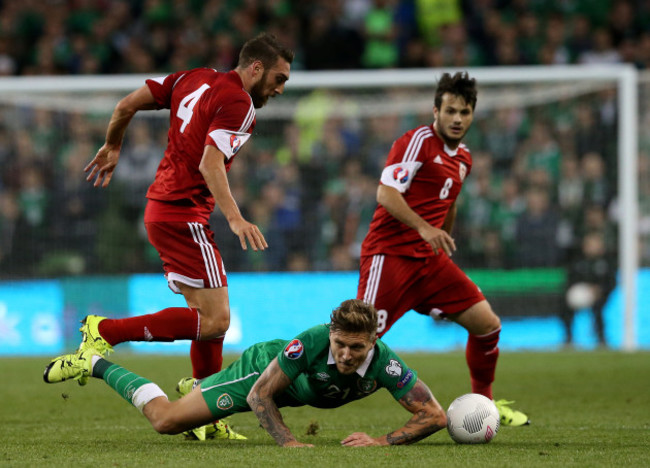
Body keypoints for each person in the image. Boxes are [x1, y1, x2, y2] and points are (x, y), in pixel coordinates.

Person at [80, 33, 294, 438]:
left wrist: (112, 144)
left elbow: (125, 105)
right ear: (255, 68)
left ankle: (206, 416)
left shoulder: (191, 78)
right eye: (278, 78)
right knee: (216, 320)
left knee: (206, 318)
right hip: (183, 214)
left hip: (160, 209)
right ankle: (104, 331)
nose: (280, 89)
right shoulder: (240, 103)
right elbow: (210, 164)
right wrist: (235, 218)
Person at [356, 72, 529, 426]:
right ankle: (282, 383)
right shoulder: (416, 142)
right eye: (450, 110)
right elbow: (386, 194)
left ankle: (485, 405)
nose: (456, 119)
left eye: (464, 112)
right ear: (435, 110)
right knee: (355, 345)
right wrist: (424, 228)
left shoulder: (464, 158)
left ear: (472, 115)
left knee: (488, 325)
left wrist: (442, 239)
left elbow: (449, 202)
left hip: (429, 263)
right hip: (389, 256)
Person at [44, 299, 448, 447]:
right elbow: (259, 396)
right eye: (339, 343)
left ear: (373, 342)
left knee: (192, 405)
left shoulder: (386, 363)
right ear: (331, 334)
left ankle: (199, 389)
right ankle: (94, 363)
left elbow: (435, 415)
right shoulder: (310, 342)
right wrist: (288, 442)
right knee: (165, 420)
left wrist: (379, 442)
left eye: (356, 347)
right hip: (260, 374)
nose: (344, 355)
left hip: (289, 390)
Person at [562, 230, 616, 347]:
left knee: (598, 309)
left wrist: (600, 290)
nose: (591, 247)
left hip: (600, 296)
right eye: (589, 244)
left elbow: (612, 283)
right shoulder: (577, 262)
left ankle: (601, 339)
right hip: (580, 293)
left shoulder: (607, 263)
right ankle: (568, 338)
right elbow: (570, 281)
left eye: (594, 244)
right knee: (565, 307)